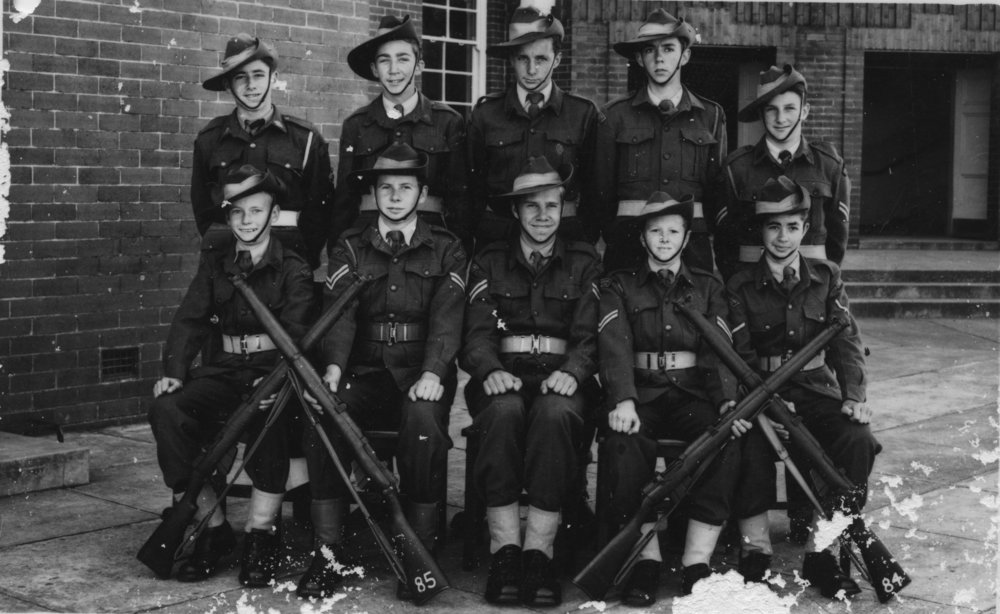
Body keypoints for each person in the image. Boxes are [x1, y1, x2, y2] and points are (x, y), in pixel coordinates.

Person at [297, 143, 467, 601]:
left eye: (405, 188)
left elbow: (448, 320)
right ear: (373, 193)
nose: (394, 196)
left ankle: (419, 548)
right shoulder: (350, 246)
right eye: (386, 187)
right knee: (325, 415)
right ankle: (328, 551)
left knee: (424, 423)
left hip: (419, 373)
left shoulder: (447, 248)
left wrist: (434, 372)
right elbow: (340, 315)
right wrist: (333, 370)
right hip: (364, 370)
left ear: (422, 193)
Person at [598, 192, 773, 605]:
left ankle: (697, 561)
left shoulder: (708, 286)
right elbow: (614, 346)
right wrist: (623, 400)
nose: (664, 239)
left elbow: (718, 350)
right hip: (641, 394)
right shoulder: (619, 284)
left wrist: (726, 401)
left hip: (692, 393)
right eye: (655, 231)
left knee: (725, 438)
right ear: (642, 237)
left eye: (673, 231)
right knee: (623, 444)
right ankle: (646, 561)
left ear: (686, 237)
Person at [148, 165, 316, 587]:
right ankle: (213, 527)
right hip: (223, 370)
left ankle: (262, 533)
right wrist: (174, 372)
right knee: (168, 409)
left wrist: (274, 380)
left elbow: (297, 336)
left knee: (269, 418)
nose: (246, 220)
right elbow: (190, 319)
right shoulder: (216, 264)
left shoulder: (294, 268)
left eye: (256, 211)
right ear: (227, 217)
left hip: (271, 373)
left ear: (273, 215)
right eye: (237, 212)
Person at [725, 176, 881, 599]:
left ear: (805, 228)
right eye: (773, 227)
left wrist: (853, 397)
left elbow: (847, 342)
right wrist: (762, 406)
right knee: (748, 444)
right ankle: (755, 550)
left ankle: (821, 551)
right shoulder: (739, 285)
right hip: (760, 393)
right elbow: (738, 356)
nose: (783, 237)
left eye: (792, 226)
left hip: (815, 388)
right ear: (760, 230)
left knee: (858, 440)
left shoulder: (826, 277)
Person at [461, 157, 601, 607]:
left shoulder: (583, 262)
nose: (543, 216)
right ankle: (504, 551)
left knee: (555, 416)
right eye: (531, 206)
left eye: (551, 206)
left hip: (561, 381)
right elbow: (475, 335)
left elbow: (590, 335)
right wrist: (489, 370)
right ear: (515, 211)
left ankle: (539, 552)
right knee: (502, 413)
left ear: (563, 209)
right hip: (504, 377)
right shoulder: (488, 261)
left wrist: (574, 371)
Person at [593, 9, 725, 273]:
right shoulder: (615, 115)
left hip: (691, 253)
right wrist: (617, 236)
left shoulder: (710, 116)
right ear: (639, 59)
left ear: (684, 56)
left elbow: (717, 193)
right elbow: (601, 194)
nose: (659, 58)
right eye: (649, 50)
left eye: (668, 49)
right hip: (628, 250)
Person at [192, 33, 334, 269]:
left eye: (258, 74)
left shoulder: (305, 139)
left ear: (273, 78)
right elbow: (204, 211)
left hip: (289, 264)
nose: (251, 85)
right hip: (229, 263)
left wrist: (299, 265)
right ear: (228, 84)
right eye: (240, 77)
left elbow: (319, 214)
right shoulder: (210, 140)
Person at [468, 2, 603, 248]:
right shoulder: (486, 114)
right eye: (523, 58)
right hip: (499, 240)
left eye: (541, 58)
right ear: (512, 59)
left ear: (557, 59)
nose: (531, 69)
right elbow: (472, 190)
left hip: (564, 239)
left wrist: (581, 241)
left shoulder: (582, 114)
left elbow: (594, 191)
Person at [332, 15, 470, 249]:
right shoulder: (356, 125)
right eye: (384, 61)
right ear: (374, 69)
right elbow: (344, 202)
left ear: (419, 66)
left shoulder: (448, 122)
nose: (393, 70)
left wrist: (457, 254)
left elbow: (460, 201)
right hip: (369, 242)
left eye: (403, 59)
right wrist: (339, 251)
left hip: (430, 241)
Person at [715, 64, 850, 281]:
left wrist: (823, 285)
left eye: (789, 108)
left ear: (804, 111)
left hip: (812, 284)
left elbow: (838, 239)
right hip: (752, 287)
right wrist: (739, 288)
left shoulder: (828, 166)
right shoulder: (737, 168)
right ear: (761, 113)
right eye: (771, 109)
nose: (780, 118)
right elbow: (725, 243)